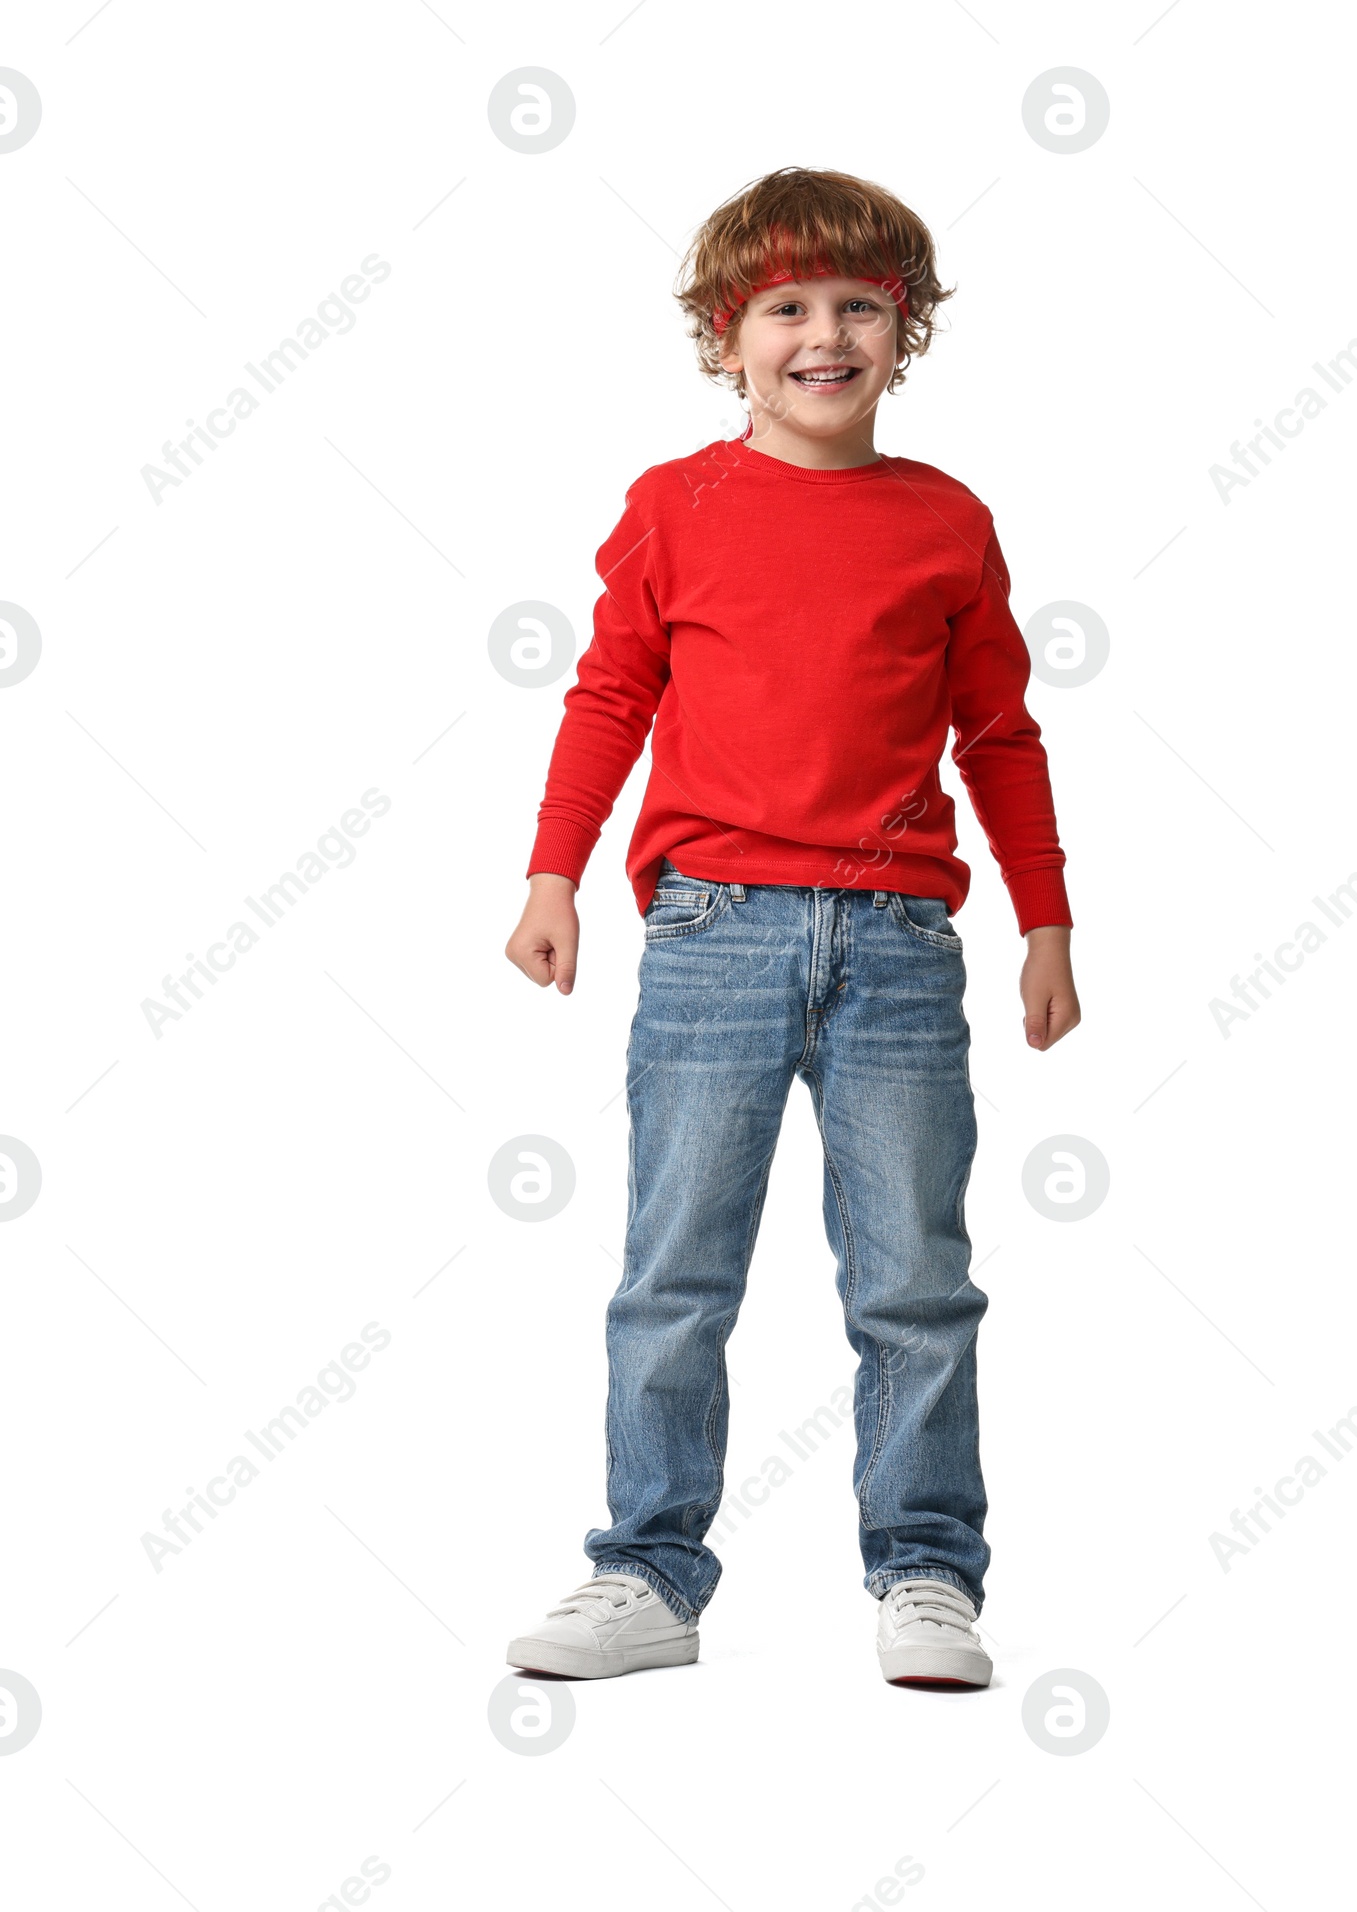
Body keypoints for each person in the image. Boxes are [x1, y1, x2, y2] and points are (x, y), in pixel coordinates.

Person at [503, 166, 1080, 1688]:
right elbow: (612, 693)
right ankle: (647, 1571)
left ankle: (927, 1574)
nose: (824, 336)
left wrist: (1048, 920)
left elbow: (1000, 735)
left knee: (914, 1277)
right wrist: (554, 871)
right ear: (725, 334)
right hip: (713, 933)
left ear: (907, 331)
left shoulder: (946, 523)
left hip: (896, 944)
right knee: (676, 1270)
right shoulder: (674, 507)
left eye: (859, 308)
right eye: (786, 308)